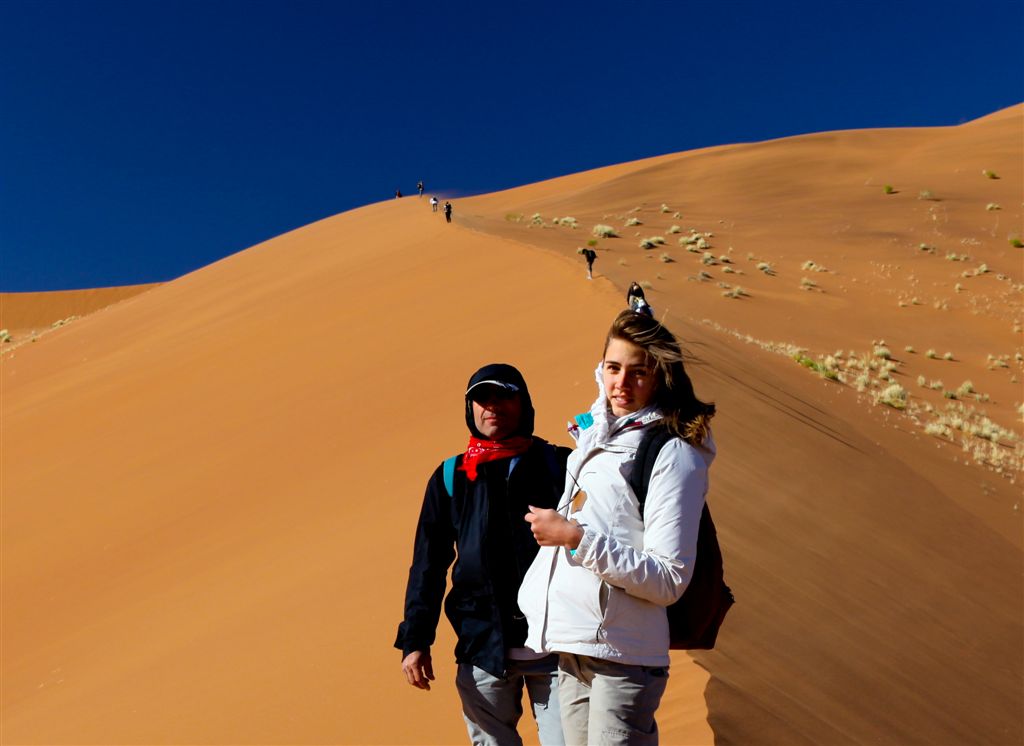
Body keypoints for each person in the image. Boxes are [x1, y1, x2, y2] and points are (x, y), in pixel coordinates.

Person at [518, 310, 716, 746]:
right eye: (613, 368)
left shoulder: (673, 454)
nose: (621, 384)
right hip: (574, 648)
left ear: (660, 377)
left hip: (622, 656)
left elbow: (668, 578)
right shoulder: (597, 438)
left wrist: (574, 538)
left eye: (638, 372)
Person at [396, 364, 571, 746]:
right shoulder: (451, 476)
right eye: (482, 398)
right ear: (470, 408)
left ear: (523, 402)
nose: (492, 406)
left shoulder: (562, 465)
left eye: (503, 396)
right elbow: (428, 565)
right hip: (483, 647)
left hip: (558, 646)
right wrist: (415, 641)